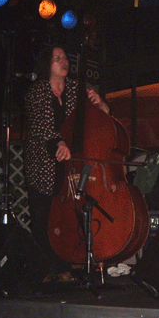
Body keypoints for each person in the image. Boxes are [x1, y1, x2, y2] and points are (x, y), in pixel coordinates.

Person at [24, 45, 109, 275]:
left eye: (65, 57)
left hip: (70, 165)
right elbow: (42, 125)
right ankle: (44, 271)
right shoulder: (37, 91)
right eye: (57, 58)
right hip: (43, 166)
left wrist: (101, 106)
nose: (64, 61)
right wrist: (59, 143)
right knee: (43, 219)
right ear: (47, 65)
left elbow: (96, 119)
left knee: (72, 216)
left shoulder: (75, 89)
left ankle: (74, 266)